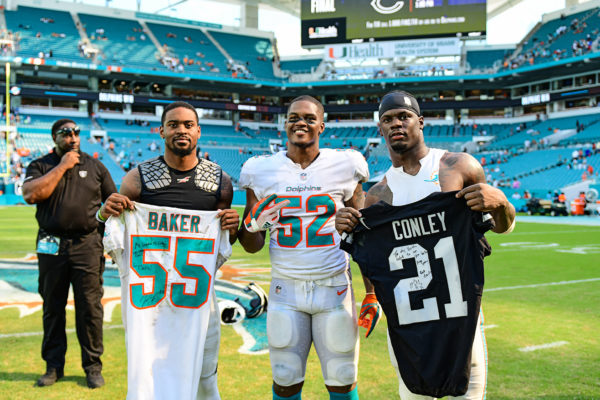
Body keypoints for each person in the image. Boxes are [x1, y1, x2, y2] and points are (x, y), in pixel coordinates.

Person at [335, 90, 515, 400]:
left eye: (404, 117)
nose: (396, 124)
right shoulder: (378, 196)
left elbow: (501, 227)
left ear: (421, 121)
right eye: (388, 119)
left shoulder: (459, 167)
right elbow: (372, 261)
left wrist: (500, 204)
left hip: (460, 319)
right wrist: (349, 229)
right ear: (380, 129)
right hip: (409, 324)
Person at [97, 101, 239, 399]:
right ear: (161, 130)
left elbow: (224, 245)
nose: (181, 130)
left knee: (205, 376)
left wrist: (231, 225)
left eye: (188, 125)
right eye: (173, 124)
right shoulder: (138, 178)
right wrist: (104, 213)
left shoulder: (220, 182)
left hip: (197, 298)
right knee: (149, 373)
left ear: (198, 131)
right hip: (150, 304)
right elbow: (112, 232)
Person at [238, 95, 369, 400]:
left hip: (334, 287)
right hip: (286, 291)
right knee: (285, 379)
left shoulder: (346, 164)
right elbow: (252, 245)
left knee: (342, 378)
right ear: (285, 124)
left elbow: (363, 236)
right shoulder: (261, 170)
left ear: (321, 125)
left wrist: (372, 293)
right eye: (294, 117)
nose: (301, 122)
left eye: (310, 118)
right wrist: (253, 224)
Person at [22, 119, 117, 388]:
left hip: (87, 244)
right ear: (55, 137)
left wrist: (108, 240)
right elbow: (31, 194)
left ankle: (93, 366)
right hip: (52, 245)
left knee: (90, 308)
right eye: (66, 134)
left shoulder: (96, 166)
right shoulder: (41, 165)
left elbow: (113, 202)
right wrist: (63, 165)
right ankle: (53, 366)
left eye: (76, 133)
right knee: (52, 307)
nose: (73, 138)